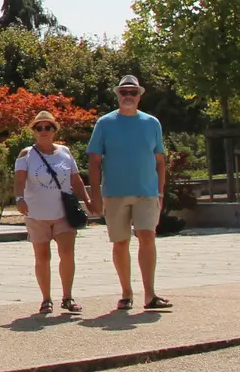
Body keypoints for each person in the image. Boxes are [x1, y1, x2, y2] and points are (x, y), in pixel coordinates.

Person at [86, 75, 171, 311]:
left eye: (133, 92)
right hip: (114, 193)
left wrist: (161, 193)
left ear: (140, 95)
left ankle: (150, 295)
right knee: (120, 242)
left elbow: (160, 161)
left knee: (147, 237)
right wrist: (95, 195)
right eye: (124, 92)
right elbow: (94, 160)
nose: (128, 96)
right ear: (117, 95)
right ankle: (126, 293)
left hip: (147, 193)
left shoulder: (152, 123)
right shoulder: (105, 123)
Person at [13, 110, 92, 315]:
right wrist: (19, 199)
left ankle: (67, 297)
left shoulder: (64, 152)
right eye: (39, 127)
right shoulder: (26, 154)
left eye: (48, 127)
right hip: (37, 214)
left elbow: (76, 180)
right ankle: (46, 299)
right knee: (43, 257)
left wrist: (88, 200)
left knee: (67, 254)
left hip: (63, 213)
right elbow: (19, 181)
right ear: (34, 131)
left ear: (54, 130)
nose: (44, 131)